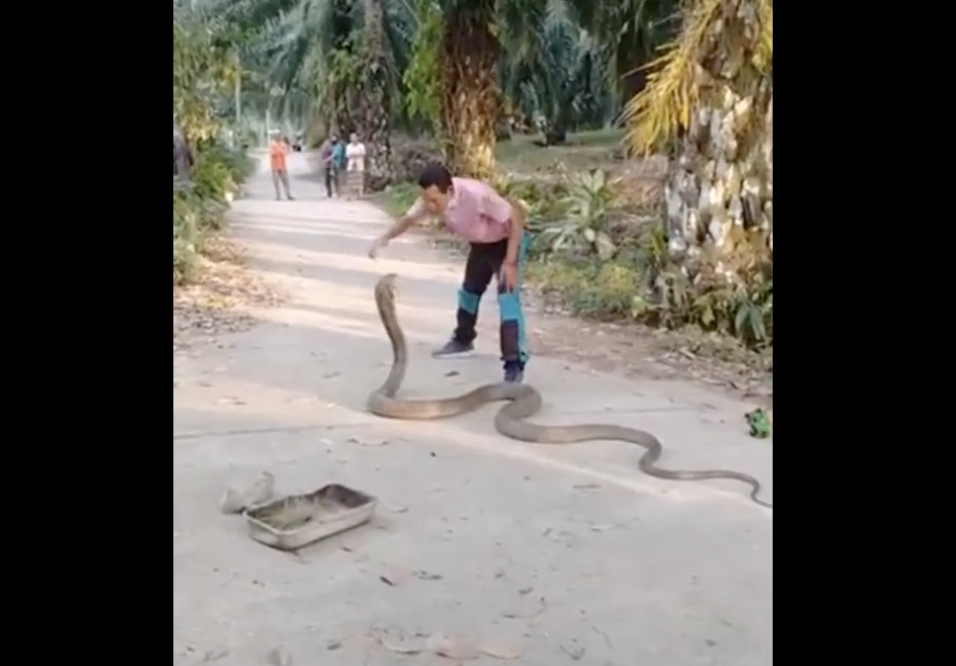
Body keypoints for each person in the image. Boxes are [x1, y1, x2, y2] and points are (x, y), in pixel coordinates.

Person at [368, 162, 530, 383]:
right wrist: (384, 238)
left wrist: (510, 263)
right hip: (481, 244)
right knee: (469, 292)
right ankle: (463, 339)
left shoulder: (476, 195)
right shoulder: (429, 199)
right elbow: (409, 219)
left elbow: (515, 218)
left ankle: (514, 364)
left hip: (506, 244)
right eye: (427, 200)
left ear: (450, 191)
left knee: (507, 300)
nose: (431, 206)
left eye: (435, 200)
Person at [269, 133, 294, 200]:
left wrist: (286, 147)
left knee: (286, 181)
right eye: (277, 137)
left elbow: (287, 152)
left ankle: (288, 194)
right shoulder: (272, 144)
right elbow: (272, 153)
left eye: (279, 137)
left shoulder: (282, 145)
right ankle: (278, 196)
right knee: (276, 182)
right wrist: (280, 151)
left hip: (282, 166)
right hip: (275, 167)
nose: (278, 138)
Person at [345, 132, 367, 199]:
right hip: (351, 165)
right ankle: (350, 195)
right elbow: (347, 155)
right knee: (350, 180)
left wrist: (354, 155)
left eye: (354, 137)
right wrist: (356, 154)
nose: (353, 139)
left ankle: (360, 194)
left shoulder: (361, 146)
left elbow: (363, 153)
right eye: (352, 138)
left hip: (359, 165)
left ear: (357, 138)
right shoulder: (348, 146)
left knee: (359, 180)